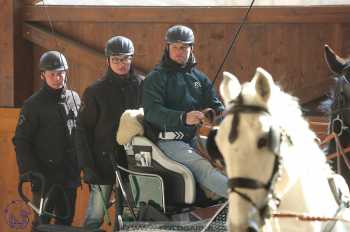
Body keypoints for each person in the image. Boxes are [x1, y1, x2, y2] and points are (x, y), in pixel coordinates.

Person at [143, 25, 228, 198]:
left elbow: (215, 104)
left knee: (230, 155)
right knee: (203, 167)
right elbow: (152, 112)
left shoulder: (199, 78)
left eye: (183, 47)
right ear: (167, 48)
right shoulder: (156, 78)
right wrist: (182, 118)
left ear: (191, 48)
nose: (179, 51)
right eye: (174, 47)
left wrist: (215, 114)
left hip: (194, 139)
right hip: (167, 142)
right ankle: (248, 204)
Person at [75, 36, 143, 230]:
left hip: (134, 163)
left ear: (132, 59)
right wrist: (87, 167)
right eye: (116, 59)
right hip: (103, 163)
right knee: (94, 217)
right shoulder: (94, 91)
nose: (121, 64)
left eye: (125, 59)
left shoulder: (142, 85)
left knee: (132, 219)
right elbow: (82, 131)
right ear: (107, 61)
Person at [13, 51, 80, 230]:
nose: (57, 78)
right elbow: (21, 140)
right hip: (44, 176)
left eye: (61, 73)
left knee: (65, 222)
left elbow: (80, 135)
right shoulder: (33, 104)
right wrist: (30, 170)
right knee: (41, 223)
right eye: (52, 74)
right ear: (43, 75)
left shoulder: (75, 98)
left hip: (69, 174)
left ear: (66, 72)